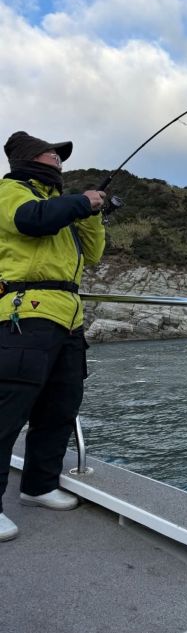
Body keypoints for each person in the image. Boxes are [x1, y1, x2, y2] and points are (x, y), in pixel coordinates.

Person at [0, 130, 106, 541]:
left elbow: (93, 255)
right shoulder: (10, 192)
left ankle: (38, 486)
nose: (59, 161)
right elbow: (31, 221)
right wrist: (80, 202)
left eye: (60, 156)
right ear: (29, 158)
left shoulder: (60, 209)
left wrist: (91, 213)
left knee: (61, 406)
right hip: (24, 313)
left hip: (69, 318)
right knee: (8, 411)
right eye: (51, 154)